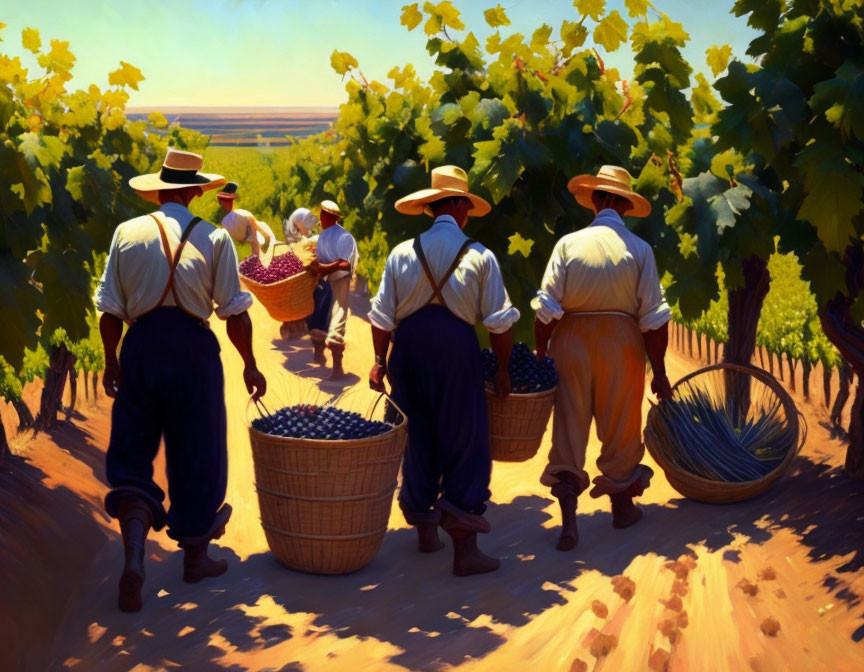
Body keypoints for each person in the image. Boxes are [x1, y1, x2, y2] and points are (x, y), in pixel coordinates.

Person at [94, 149, 268, 613]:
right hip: (193, 350)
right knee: (198, 448)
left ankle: (134, 558)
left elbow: (109, 310)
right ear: (194, 191)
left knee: (133, 449)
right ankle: (195, 556)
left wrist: (113, 362)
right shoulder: (214, 239)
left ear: (158, 190)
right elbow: (234, 311)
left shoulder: (126, 234)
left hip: (142, 346)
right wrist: (250, 364)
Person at [368, 166, 520, 577]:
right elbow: (500, 323)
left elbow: (382, 318)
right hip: (455, 351)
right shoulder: (479, 255)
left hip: (409, 350)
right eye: (466, 203)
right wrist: (503, 368)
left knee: (418, 435)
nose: (468, 211)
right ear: (456, 205)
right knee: (464, 438)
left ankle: (425, 530)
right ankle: (466, 550)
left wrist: (380, 362)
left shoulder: (402, 252)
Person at [532, 165, 672, 552]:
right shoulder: (640, 250)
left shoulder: (567, 244)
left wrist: (540, 353)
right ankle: (622, 510)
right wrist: (659, 371)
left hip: (571, 341)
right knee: (621, 426)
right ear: (624, 205)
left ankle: (570, 526)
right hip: (621, 343)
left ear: (595, 200)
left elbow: (545, 309)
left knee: (569, 427)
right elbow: (655, 318)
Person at [307, 200, 357, 379]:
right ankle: (319, 354)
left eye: (322, 215)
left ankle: (337, 368)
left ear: (329, 217)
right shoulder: (323, 236)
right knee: (317, 316)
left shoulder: (344, 238)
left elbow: (345, 263)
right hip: (323, 281)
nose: (321, 218)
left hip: (338, 282)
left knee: (337, 318)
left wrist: (324, 268)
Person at [279, 207, 330, 341]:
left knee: (321, 291)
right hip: (300, 273)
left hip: (310, 271)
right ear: (297, 223)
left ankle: (314, 325)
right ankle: (301, 323)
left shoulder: (307, 236)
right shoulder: (293, 239)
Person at [217, 181, 276, 257]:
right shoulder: (245, 214)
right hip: (257, 254)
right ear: (233, 200)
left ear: (221, 202)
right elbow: (266, 236)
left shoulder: (224, 223)